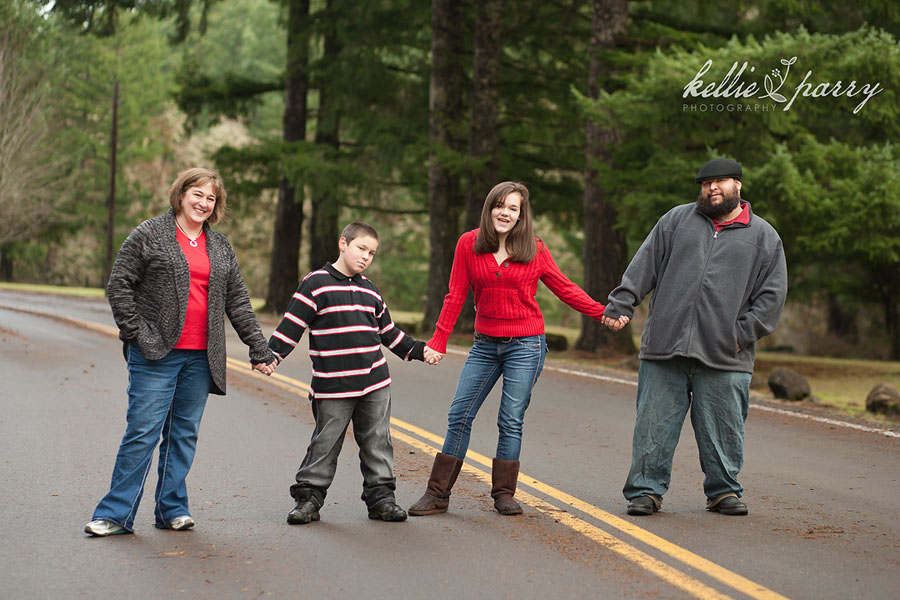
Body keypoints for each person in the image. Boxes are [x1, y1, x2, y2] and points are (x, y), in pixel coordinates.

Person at [85, 167, 276, 537]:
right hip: (156, 353)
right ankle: (114, 514)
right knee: (142, 432)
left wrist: (259, 347)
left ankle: (171, 509)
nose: (204, 203)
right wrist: (137, 333)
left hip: (201, 357)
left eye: (211, 198)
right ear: (182, 193)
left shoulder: (219, 246)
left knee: (183, 435)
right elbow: (119, 284)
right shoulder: (150, 233)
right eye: (198, 194)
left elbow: (238, 300)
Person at [408, 181, 613, 517]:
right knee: (459, 415)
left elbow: (565, 288)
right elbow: (455, 295)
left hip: (526, 345)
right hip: (484, 345)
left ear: (521, 215)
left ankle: (504, 495)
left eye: (513, 208)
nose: (505, 212)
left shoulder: (534, 248)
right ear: (490, 208)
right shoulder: (468, 244)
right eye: (499, 205)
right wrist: (438, 341)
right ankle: (437, 494)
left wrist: (601, 313)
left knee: (510, 420)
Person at [601, 158, 788, 517]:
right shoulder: (675, 221)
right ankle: (645, 491)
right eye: (705, 183)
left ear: (738, 186)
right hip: (665, 347)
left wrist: (739, 335)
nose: (711, 188)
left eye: (720, 182)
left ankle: (723, 491)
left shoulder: (764, 237)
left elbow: (771, 297)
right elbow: (645, 264)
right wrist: (622, 302)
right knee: (653, 425)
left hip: (725, 354)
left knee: (724, 428)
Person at [268, 221, 440, 525]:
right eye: (361, 248)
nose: (366, 256)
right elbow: (292, 325)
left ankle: (381, 499)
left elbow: (388, 333)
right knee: (326, 442)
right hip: (333, 385)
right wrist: (271, 356)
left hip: (375, 382)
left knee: (377, 440)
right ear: (343, 244)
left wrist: (419, 350)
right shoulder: (316, 283)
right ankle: (309, 499)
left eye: (372, 253)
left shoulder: (370, 290)